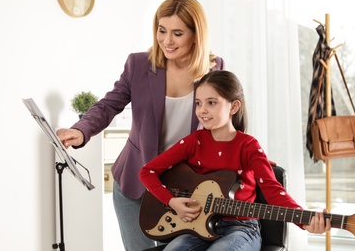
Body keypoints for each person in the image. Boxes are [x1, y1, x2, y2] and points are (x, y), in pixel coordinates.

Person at [56, 0, 224, 251]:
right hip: (136, 183)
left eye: (177, 33)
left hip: (185, 187)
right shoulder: (138, 64)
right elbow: (109, 104)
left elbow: (225, 123)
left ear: (195, 35)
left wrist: (246, 156)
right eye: (161, 30)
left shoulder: (214, 68)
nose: (167, 41)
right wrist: (81, 130)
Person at [139, 70, 331, 251]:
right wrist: (171, 201)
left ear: (234, 106)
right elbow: (147, 171)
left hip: (241, 228)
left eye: (211, 103)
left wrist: (305, 221)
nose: (202, 110)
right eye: (198, 103)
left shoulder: (248, 146)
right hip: (196, 226)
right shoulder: (194, 141)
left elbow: (274, 192)